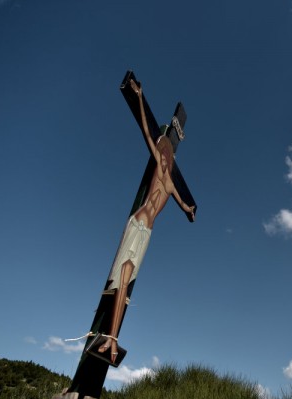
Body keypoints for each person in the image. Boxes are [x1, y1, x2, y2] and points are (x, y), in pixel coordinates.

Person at [95, 79, 195, 364]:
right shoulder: (161, 168)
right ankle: (111, 339)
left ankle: (112, 339)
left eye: (166, 151)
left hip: (146, 231)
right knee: (122, 278)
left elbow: (185, 204)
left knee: (127, 281)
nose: (165, 153)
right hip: (139, 223)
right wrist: (139, 97)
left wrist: (190, 210)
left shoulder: (172, 184)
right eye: (164, 149)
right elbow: (145, 130)